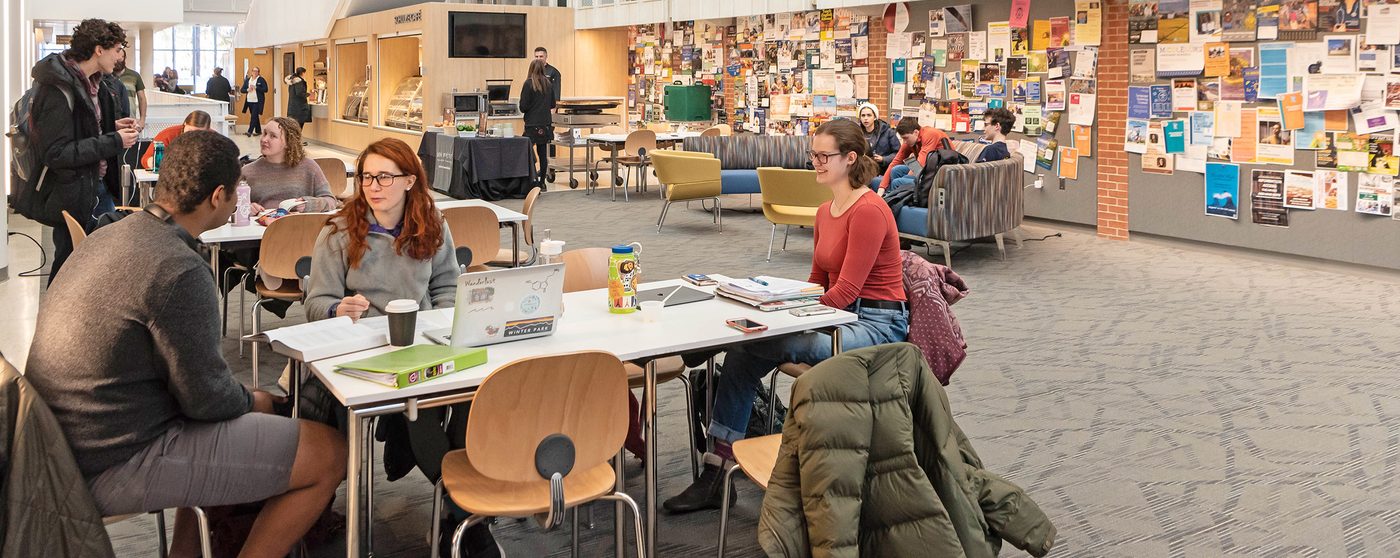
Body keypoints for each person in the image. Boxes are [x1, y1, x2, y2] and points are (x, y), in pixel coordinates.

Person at [24, 130, 347, 558]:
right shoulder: (179, 269)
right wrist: (256, 400)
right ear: (218, 196)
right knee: (328, 453)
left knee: (233, 429)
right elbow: (208, 402)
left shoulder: (107, 236)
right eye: (235, 194)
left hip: (55, 444)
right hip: (109, 461)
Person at [664, 119, 908, 513]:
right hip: (838, 315)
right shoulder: (827, 211)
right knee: (743, 354)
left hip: (875, 324)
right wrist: (778, 303)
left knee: (772, 337)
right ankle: (717, 470)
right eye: (813, 154)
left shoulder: (869, 211)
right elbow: (817, 282)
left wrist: (788, 316)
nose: (815, 162)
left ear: (850, 159)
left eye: (823, 156)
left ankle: (719, 342)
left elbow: (846, 292)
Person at [301, 139, 502, 556]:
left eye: (385, 177)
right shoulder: (337, 232)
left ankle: (458, 508)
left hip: (423, 346)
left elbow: (447, 285)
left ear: (410, 180)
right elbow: (315, 304)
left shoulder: (432, 224)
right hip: (362, 355)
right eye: (366, 177)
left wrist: (442, 324)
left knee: (475, 394)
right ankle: (464, 512)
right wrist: (339, 307)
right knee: (418, 407)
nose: (373, 186)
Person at [28, 18, 139, 284]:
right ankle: (56, 321)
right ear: (99, 49)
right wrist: (114, 141)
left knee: (93, 266)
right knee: (69, 267)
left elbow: (76, 129)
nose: (120, 56)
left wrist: (110, 127)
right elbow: (57, 152)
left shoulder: (88, 83)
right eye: (117, 49)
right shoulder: (60, 87)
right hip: (73, 191)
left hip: (92, 186)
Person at [241, 117, 338, 214]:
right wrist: (247, 207)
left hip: (300, 226)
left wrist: (310, 204)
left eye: (273, 136)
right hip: (261, 227)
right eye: (265, 133)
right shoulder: (247, 172)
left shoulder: (309, 167)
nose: (264, 139)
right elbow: (233, 205)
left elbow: (330, 201)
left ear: (288, 142)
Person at [872, 116, 953, 193]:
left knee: (897, 182)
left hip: (939, 170)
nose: (905, 142)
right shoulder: (910, 140)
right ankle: (893, 196)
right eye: (903, 138)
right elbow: (895, 162)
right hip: (927, 169)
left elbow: (920, 163)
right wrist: (881, 187)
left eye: (906, 138)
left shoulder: (930, 134)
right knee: (896, 170)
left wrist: (904, 180)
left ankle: (898, 199)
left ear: (916, 132)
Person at [520, 59, 556, 189]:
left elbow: (523, 107)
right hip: (546, 123)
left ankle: (531, 179)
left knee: (526, 150)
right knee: (542, 154)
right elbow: (552, 104)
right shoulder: (549, 84)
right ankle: (542, 182)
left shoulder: (528, 84)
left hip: (531, 124)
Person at [140, 110, 212, 169]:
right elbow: (145, 160)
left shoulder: (214, 138)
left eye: (199, 133)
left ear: (208, 130)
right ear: (184, 124)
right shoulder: (168, 135)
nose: (193, 136)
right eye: (190, 131)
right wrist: (153, 162)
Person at [534, 46, 562, 157]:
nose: (539, 59)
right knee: (536, 139)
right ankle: (541, 167)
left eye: (541, 56)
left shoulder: (553, 72)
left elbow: (556, 94)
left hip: (549, 111)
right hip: (536, 112)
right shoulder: (534, 72)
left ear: (546, 57)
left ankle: (551, 169)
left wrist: (553, 111)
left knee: (548, 138)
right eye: (536, 56)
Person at [857, 103, 899, 172]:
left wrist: (883, 159)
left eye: (869, 115)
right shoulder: (857, 132)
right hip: (863, 170)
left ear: (875, 117)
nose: (865, 118)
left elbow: (898, 153)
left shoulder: (888, 132)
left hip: (883, 170)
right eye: (863, 115)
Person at [114, 49, 145, 129]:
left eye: (121, 57)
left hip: (131, 122)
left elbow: (142, 99)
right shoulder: (106, 76)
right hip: (112, 122)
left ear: (124, 58)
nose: (119, 60)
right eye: (116, 57)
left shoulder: (134, 75)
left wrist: (142, 120)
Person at [241, 66, 268, 136]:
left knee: (253, 116)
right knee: (255, 116)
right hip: (249, 100)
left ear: (258, 72)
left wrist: (256, 87)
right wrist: (247, 90)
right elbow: (242, 90)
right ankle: (258, 131)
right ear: (251, 72)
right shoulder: (248, 80)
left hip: (257, 101)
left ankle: (249, 131)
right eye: (253, 71)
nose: (255, 72)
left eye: (256, 71)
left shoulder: (261, 80)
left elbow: (265, 89)